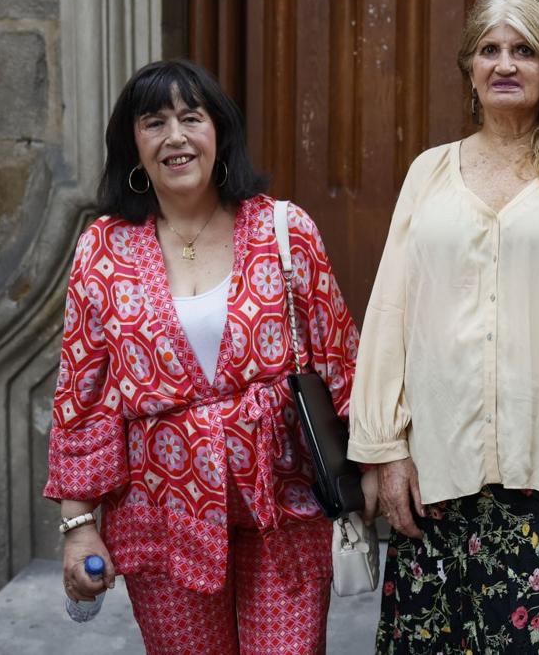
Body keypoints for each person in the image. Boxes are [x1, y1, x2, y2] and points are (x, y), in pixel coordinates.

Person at [348, 0, 539, 653]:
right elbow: (392, 308)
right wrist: (384, 446)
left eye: (523, 49)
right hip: (436, 475)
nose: (505, 63)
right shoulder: (430, 171)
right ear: (470, 69)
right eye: (490, 49)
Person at [44, 59, 368, 654]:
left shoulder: (283, 230)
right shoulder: (103, 249)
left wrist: (378, 467)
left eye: (191, 117)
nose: (175, 137)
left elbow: (341, 361)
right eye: (154, 122)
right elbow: (82, 399)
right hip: (162, 519)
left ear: (219, 133)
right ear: (132, 145)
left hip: (284, 510)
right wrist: (78, 526)